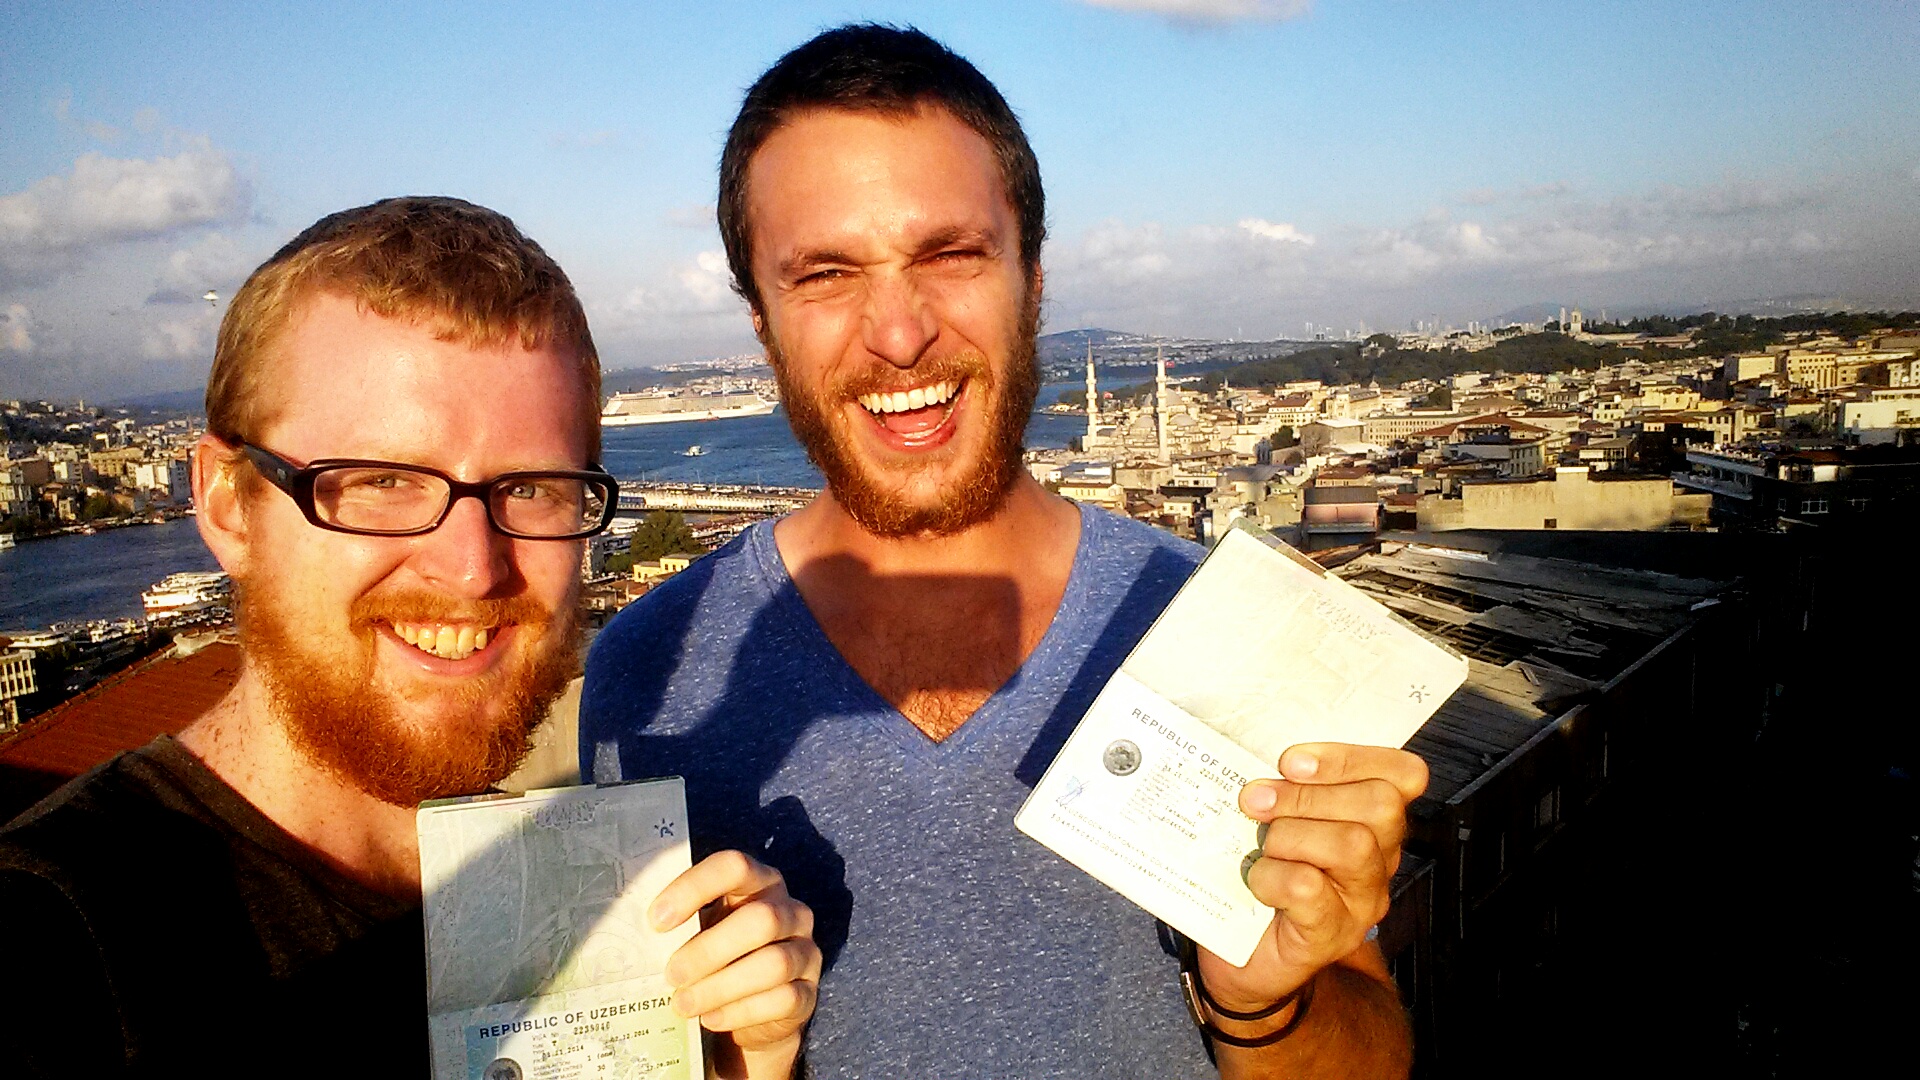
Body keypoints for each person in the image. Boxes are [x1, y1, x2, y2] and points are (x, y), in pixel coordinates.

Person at [581, 25, 1425, 1079]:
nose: (900, 334)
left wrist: (1260, 1001)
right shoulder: (648, 677)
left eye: (950, 255)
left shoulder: (1209, 630)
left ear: (1033, 280)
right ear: (762, 325)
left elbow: (1373, 1057)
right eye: (826, 274)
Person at [0, 197, 819, 1080]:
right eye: (383, 480)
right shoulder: (52, 947)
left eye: (531, 488)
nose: (471, 569)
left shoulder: (599, 909)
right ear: (228, 506)